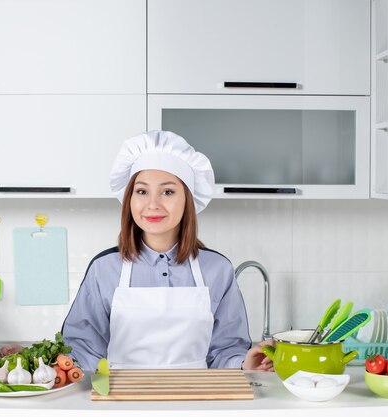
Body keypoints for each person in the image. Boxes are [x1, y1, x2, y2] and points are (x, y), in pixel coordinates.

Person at [57, 130, 274, 371]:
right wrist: (42, 362)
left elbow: (224, 350)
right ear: (130, 198)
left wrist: (245, 364)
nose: (153, 204)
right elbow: (84, 349)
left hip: (198, 402)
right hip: (123, 403)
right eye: (142, 191)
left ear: (187, 200)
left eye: (168, 192)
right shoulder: (104, 268)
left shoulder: (217, 269)